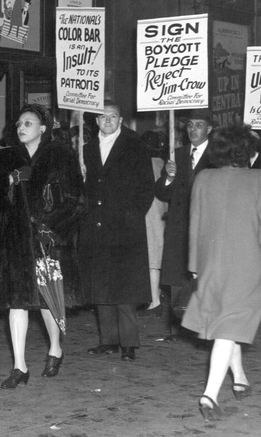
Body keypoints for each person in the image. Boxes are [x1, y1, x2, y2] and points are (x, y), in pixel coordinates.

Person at [182, 125, 261, 420]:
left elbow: (195, 225)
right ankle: (209, 396)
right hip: (247, 264)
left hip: (211, 262)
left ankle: (239, 377)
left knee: (226, 321)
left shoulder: (203, 177)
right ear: (247, 152)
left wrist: (195, 267)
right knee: (230, 326)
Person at [0, 105, 84, 388]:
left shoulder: (60, 155)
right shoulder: (5, 158)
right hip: (14, 240)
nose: (21, 126)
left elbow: (76, 200)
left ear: (43, 128)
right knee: (17, 301)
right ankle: (20, 366)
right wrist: (9, 186)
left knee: (46, 300)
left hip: (47, 238)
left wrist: (50, 226)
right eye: (18, 123)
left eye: (29, 122)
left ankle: (55, 348)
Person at [78, 101, 153, 362]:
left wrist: (132, 216)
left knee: (125, 287)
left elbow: (146, 186)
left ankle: (129, 343)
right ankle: (108, 340)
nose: (107, 120)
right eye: (103, 117)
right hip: (96, 226)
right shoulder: (85, 149)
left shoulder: (134, 146)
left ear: (120, 121)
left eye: (113, 116)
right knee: (101, 285)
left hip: (125, 227)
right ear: (96, 121)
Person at [154, 109, 215, 330]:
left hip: (205, 225)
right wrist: (169, 177)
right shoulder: (177, 154)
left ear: (208, 129)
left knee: (202, 274)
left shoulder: (217, 156)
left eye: (198, 125)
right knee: (177, 275)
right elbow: (162, 192)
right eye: (190, 125)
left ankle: (204, 324)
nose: (193, 129)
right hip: (179, 226)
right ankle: (179, 326)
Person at [140, 130, 169, 316]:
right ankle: (156, 294)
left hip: (149, 214)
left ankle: (154, 299)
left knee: (151, 260)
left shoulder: (143, 164)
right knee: (157, 258)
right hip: (161, 213)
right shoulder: (165, 164)